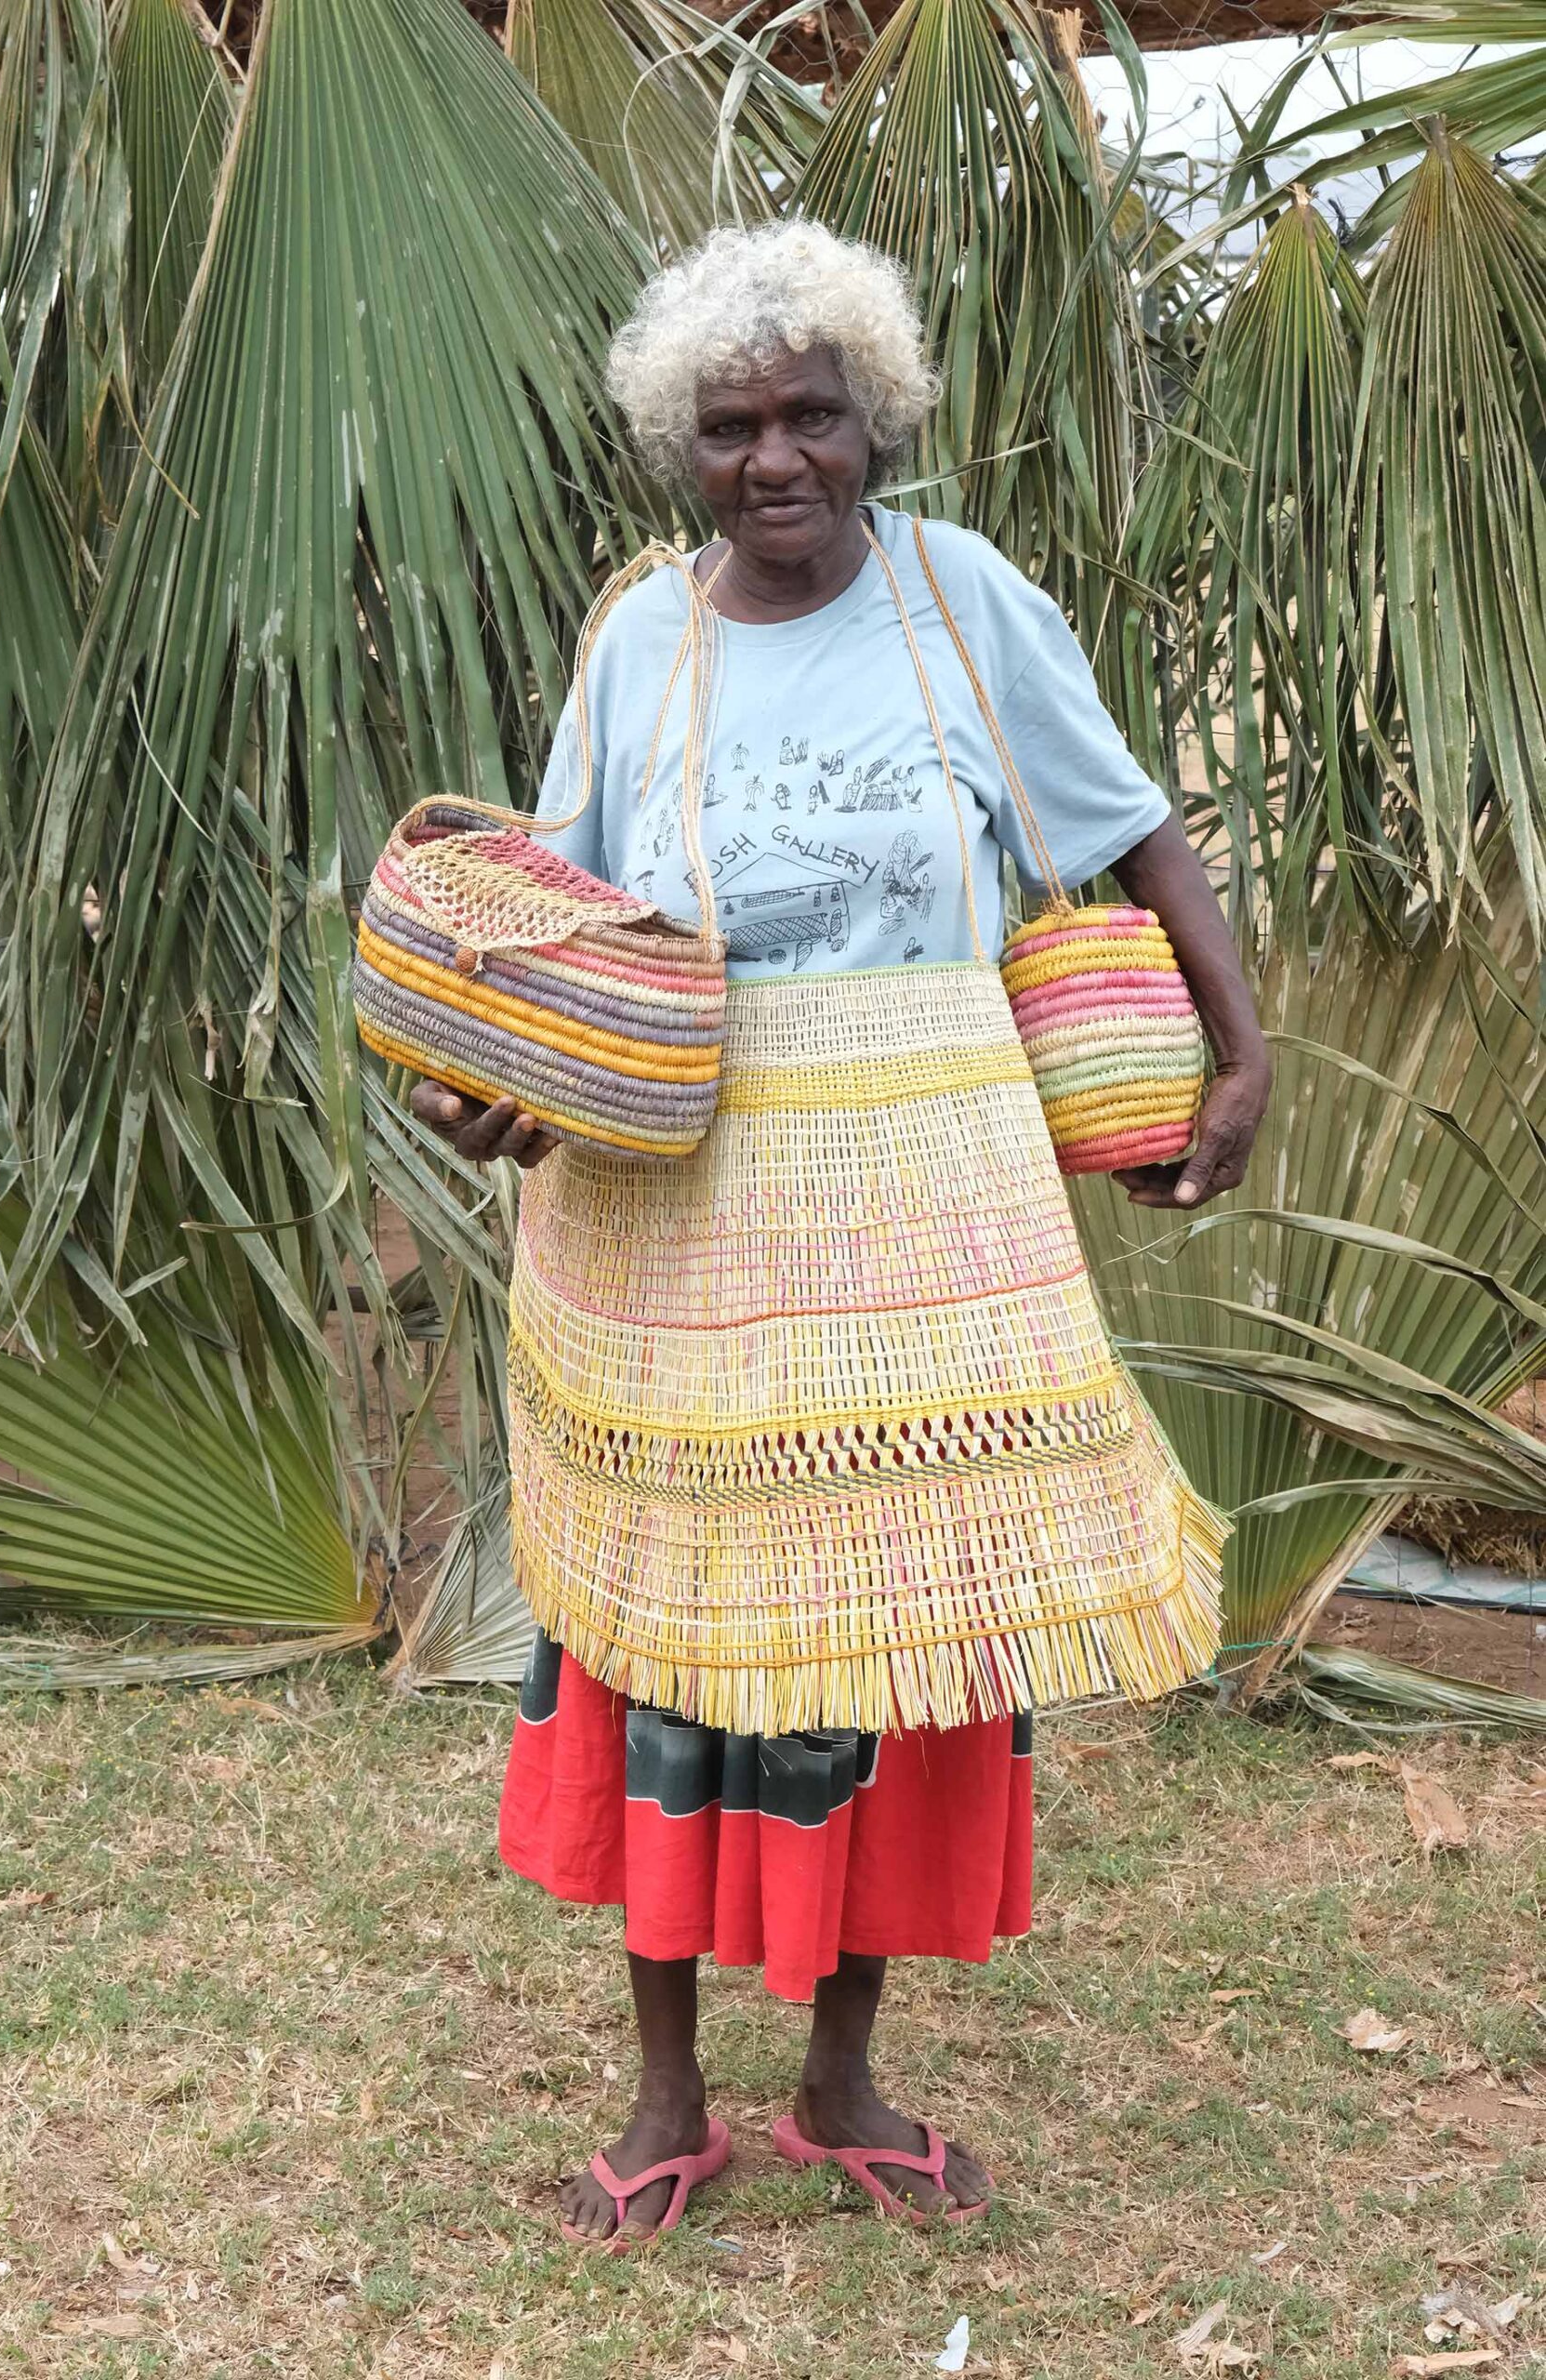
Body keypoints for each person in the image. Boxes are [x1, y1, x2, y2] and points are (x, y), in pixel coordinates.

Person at [412, 222, 1272, 2246]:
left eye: (812, 414)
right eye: (730, 426)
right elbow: (552, 909)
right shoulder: (643, 640)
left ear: (876, 419)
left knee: (893, 1614)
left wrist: (1241, 1050)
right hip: (671, 1206)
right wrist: (490, 1074)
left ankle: (840, 2075)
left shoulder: (965, 604)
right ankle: (665, 2093)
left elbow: (1130, 828)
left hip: (926, 1203)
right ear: (682, 446)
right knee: (668, 1622)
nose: (775, 457)